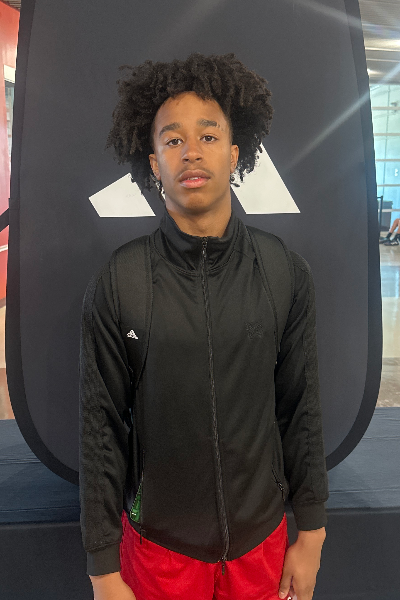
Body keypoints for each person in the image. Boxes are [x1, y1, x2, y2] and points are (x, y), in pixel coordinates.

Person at [79, 52, 329, 600]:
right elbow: (101, 430)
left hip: (261, 547)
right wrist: (102, 569)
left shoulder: (282, 270)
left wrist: (311, 532)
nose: (191, 151)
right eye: (173, 140)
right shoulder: (122, 280)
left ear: (235, 153)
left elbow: (301, 408)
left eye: (208, 136)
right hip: (159, 553)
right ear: (153, 163)